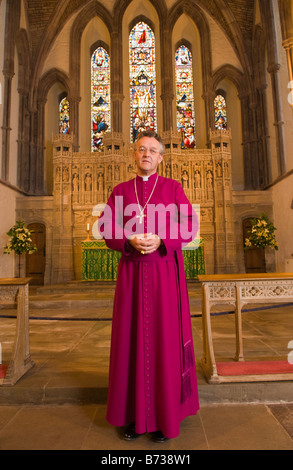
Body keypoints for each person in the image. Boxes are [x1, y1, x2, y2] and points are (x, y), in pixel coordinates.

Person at [98, 130, 200, 442]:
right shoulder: (120, 191)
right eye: (142, 149)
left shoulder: (173, 188)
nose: (147, 154)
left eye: (153, 151)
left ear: (161, 157)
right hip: (132, 276)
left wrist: (162, 239)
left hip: (165, 279)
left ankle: (163, 419)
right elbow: (105, 226)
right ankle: (133, 417)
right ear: (134, 154)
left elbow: (190, 225)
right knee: (131, 345)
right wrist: (127, 238)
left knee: (164, 345)